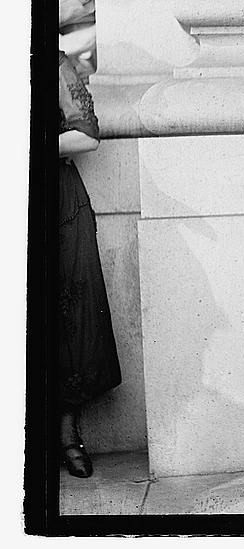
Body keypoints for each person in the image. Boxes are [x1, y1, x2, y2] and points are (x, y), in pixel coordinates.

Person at [57, 49, 122, 478]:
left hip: (56, 201)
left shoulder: (50, 62)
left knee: (66, 319)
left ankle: (67, 434)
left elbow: (87, 134)